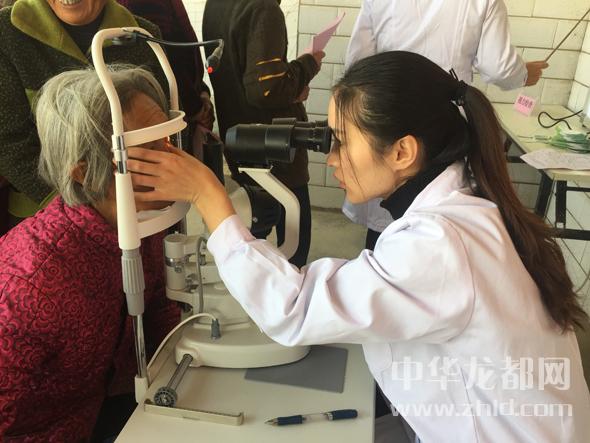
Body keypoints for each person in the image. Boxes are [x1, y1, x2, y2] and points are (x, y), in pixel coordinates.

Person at [125, 51, 590, 442]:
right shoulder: (471, 202)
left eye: (342, 142)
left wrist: (209, 196)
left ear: (403, 152)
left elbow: (294, 309)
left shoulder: (440, 244)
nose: (331, 159)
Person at [0, 66, 179, 441]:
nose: (173, 161)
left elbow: (161, 315)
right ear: (83, 171)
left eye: (167, 140)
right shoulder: (30, 284)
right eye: (149, 150)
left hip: (114, 410)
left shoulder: (143, 226)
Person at [344, 0, 549, 251]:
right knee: (443, 217)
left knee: (388, 216)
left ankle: (381, 266)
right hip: (445, 119)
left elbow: (358, 61)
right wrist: (524, 74)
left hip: (390, 117)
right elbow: (499, 68)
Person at [0, 0, 167, 232]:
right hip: (45, 219)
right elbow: (9, 143)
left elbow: (164, 126)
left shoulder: (142, 34)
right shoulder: (7, 32)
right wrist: (82, 213)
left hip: (141, 213)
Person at [202, 0, 324, 268]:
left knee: (251, 236)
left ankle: (256, 289)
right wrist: (308, 65)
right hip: (275, 145)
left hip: (239, 138)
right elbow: (265, 90)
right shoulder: (263, 8)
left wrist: (291, 86)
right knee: (293, 247)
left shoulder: (216, 4)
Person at [116, 0, 215, 157]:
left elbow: (180, 50)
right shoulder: (143, 5)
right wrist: (195, 107)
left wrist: (201, 91)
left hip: (178, 112)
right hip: (167, 122)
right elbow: (169, 61)